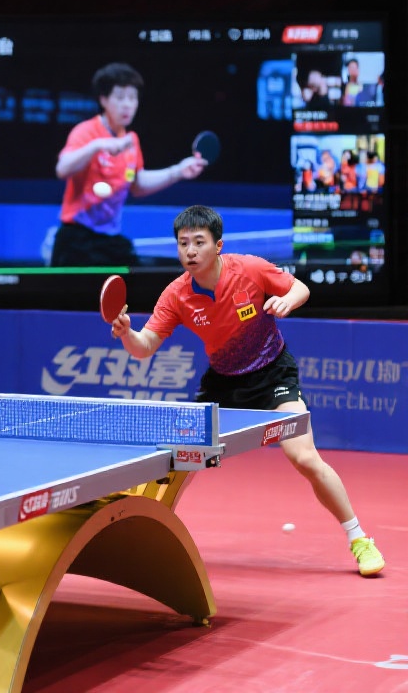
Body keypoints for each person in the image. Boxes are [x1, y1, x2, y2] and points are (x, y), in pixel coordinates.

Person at [106, 205, 384, 578]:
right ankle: (137, 542)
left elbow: (300, 287)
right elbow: (144, 347)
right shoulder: (176, 295)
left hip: (272, 374)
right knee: (174, 462)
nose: (190, 251)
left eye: (199, 242)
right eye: (183, 243)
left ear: (218, 245)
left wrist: (287, 300)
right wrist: (127, 332)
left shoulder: (250, 269)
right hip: (223, 382)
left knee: (304, 457)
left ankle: (359, 538)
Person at [52, 63, 207, 266]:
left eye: (132, 98)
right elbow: (62, 169)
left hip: (110, 240)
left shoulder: (131, 141)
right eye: (120, 97)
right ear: (103, 99)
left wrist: (178, 171)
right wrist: (97, 145)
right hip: (76, 239)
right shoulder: (86, 131)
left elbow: (138, 184)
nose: (127, 105)